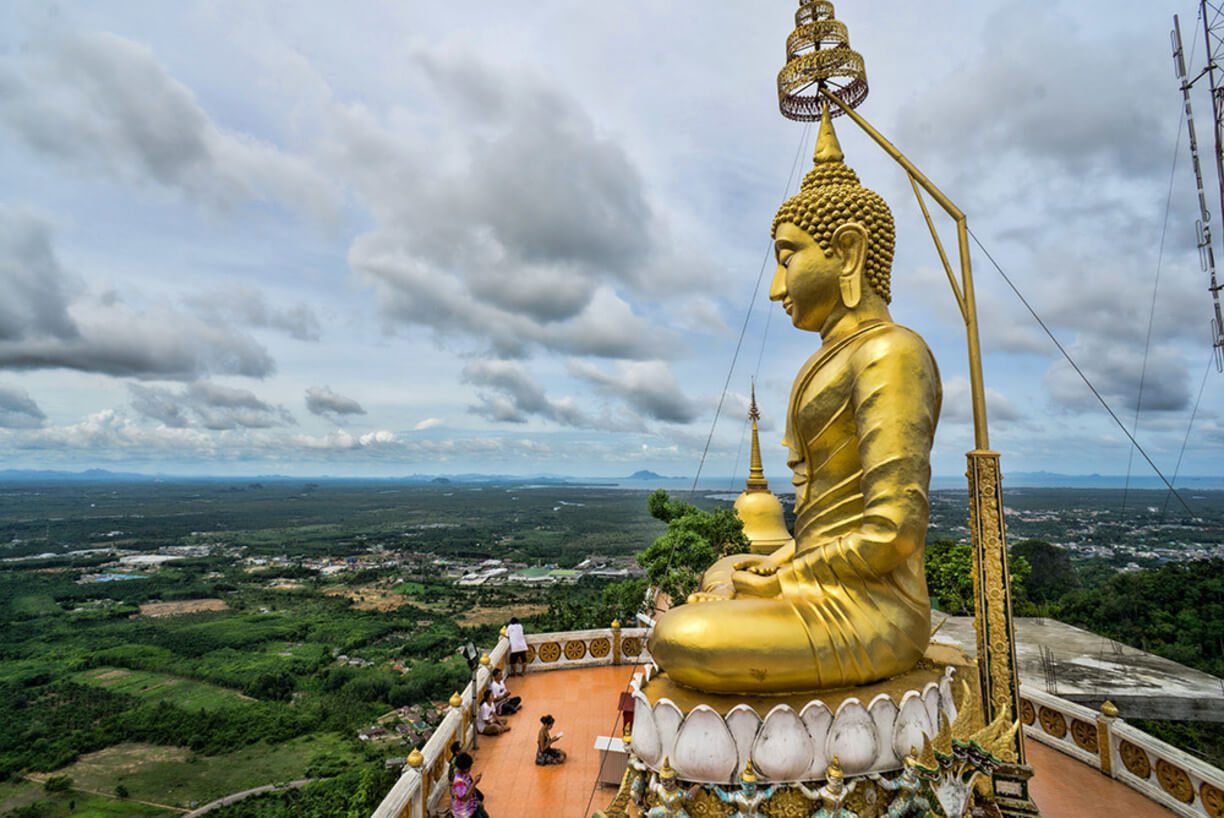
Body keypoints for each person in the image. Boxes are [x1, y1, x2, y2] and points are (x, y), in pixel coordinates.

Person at [648, 103, 940, 694]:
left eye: (788, 259)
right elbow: (815, 534)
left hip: (873, 607)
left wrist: (785, 578)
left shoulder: (891, 351)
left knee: (683, 635)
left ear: (849, 252)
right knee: (724, 567)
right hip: (816, 577)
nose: (778, 287)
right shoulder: (828, 359)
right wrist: (777, 565)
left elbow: (893, 533)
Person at [450, 752, 488, 818]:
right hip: (463, 812)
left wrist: (476, 801)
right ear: (465, 768)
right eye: (469, 766)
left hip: (471, 806)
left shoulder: (466, 774)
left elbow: (471, 790)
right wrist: (475, 783)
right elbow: (464, 798)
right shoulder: (459, 782)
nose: (470, 768)